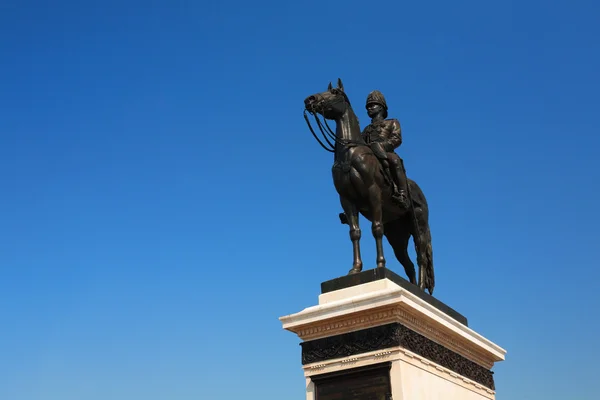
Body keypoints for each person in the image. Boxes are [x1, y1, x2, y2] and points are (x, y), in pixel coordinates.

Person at [361, 90, 409, 208]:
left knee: (395, 161)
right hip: (370, 154)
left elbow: (396, 139)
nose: (369, 108)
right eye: (368, 106)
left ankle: (403, 194)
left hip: (385, 152)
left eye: (373, 105)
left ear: (381, 107)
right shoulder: (366, 129)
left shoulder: (392, 122)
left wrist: (382, 145)